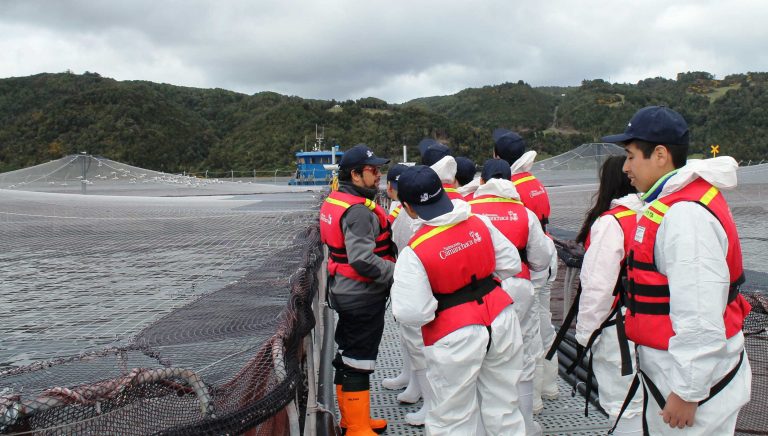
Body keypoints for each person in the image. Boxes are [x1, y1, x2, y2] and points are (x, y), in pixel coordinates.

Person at [603, 106, 752, 434]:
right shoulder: (674, 203)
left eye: (630, 156)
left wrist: (687, 391)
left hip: (691, 382)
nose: (625, 167)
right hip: (672, 368)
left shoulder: (686, 216)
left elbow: (700, 311)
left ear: (659, 154)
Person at [391, 165, 526, 435]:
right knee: (504, 407)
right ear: (443, 193)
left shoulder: (414, 251)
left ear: (408, 207)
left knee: (451, 418)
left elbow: (411, 312)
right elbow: (511, 263)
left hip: (453, 334)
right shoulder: (479, 221)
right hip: (501, 319)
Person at [468, 158, 554, 435]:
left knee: (480, 359)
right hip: (518, 289)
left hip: (479, 292)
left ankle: (482, 427)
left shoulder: (467, 210)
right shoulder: (524, 213)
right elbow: (541, 258)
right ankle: (526, 424)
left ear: (482, 182)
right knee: (525, 354)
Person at [318, 144, 395, 435]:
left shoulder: (335, 200)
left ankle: (352, 418)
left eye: (379, 169)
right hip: (361, 294)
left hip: (343, 290)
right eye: (372, 170)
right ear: (355, 174)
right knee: (358, 359)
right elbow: (363, 260)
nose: (378, 176)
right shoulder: (358, 212)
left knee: (349, 354)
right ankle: (357, 427)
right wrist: (397, 274)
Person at [573, 155, 644, 435]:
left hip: (619, 330)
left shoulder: (611, 223)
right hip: (652, 324)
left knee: (624, 405)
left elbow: (597, 287)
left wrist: (585, 336)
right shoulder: (652, 213)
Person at [493, 129, 559, 410]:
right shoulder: (533, 181)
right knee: (544, 325)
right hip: (545, 256)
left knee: (525, 333)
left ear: (499, 157)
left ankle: (529, 400)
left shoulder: (512, 188)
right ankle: (549, 385)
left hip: (527, 264)